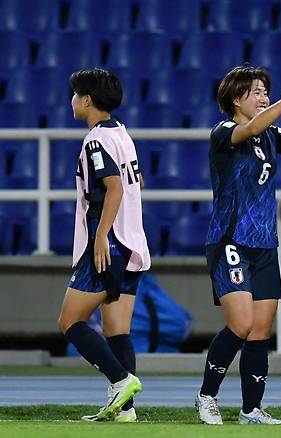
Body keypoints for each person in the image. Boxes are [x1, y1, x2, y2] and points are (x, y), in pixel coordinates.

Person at [196, 65, 281, 426]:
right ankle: (207, 396)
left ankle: (251, 409)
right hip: (230, 240)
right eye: (257, 92)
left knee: (261, 330)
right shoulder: (224, 132)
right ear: (237, 98)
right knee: (240, 324)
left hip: (264, 243)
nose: (263, 97)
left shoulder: (270, 134)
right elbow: (250, 127)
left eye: (266, 91)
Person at [57, 68, 150, 422]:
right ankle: (125, 411)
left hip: (108, 245)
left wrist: (100, 236)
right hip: (132, 245)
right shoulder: (123, 134)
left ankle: (120, 381)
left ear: (86, 100)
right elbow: (135, 180)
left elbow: (113, 186)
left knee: (70, 322)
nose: (72, 101)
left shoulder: (95, 140)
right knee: (117, 330)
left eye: (74, 95)